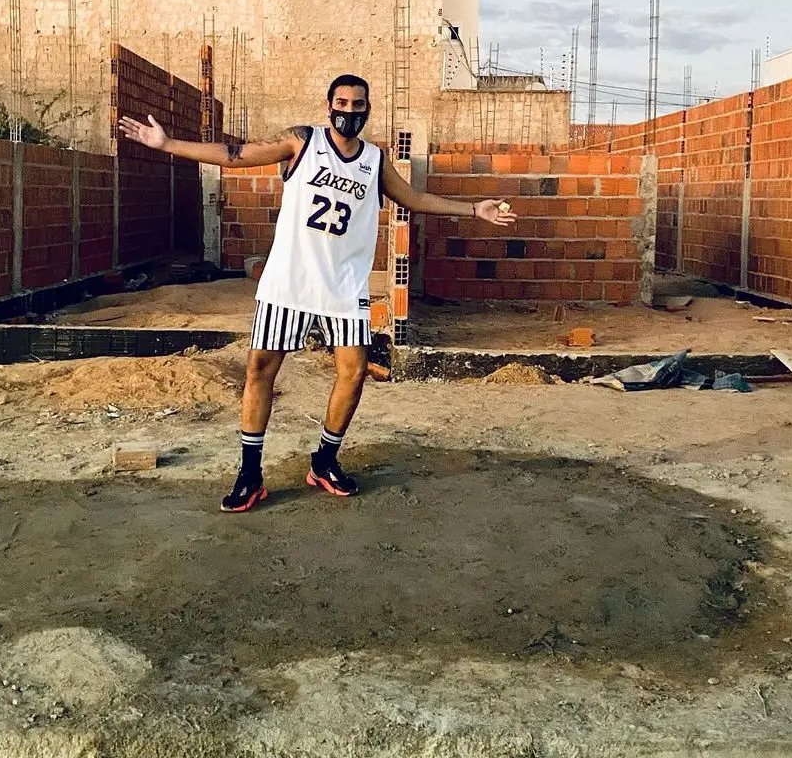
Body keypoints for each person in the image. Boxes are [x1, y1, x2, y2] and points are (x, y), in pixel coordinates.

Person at [118, 74, 516, 512]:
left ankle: (324, 460)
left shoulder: (374, 160)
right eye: (341, 102)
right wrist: (167, 144)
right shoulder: (301, 142)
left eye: (358, 104)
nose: (349, 110)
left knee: (353, 372)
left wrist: (472, 209)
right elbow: (234, 155)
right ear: (329, 106)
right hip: (288, 283)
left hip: (343, 287)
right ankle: (250, 474)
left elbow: (413, 198)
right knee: (259, 372)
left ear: (367, 109)